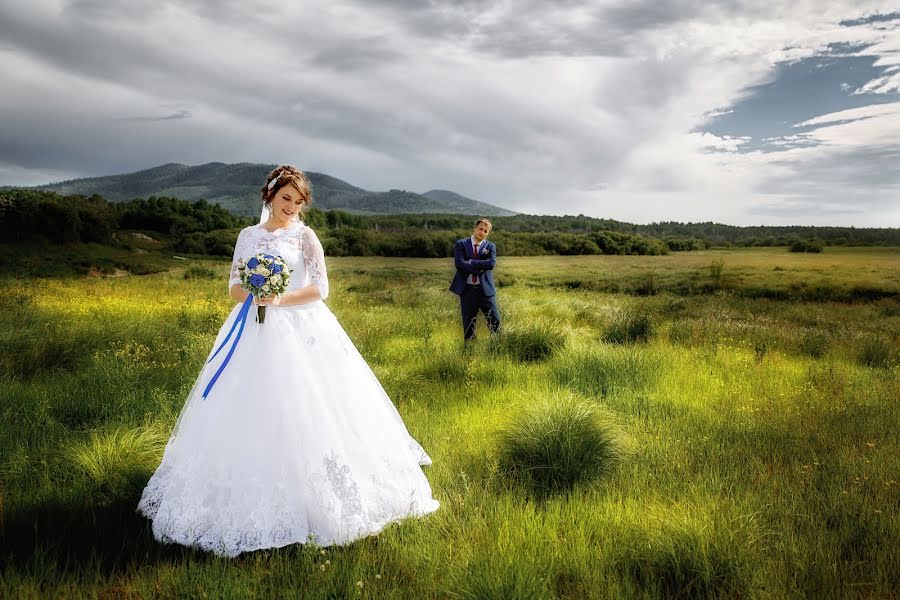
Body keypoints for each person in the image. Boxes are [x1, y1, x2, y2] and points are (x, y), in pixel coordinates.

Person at [138, 165, 439, 557]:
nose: (291, 208)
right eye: (286, 199)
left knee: (309, 406)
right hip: (252, 326)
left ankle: (319, 497)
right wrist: (253, 294)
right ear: (270, 196)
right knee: (247, 406)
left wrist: (278, 299)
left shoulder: (305, 236)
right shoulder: (247, 236)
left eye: (298, 202)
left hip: (302, 327)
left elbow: (321, 288)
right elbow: (232, 283)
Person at [449, 218, 501, 341]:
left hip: (485, 291)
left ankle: (498, 347)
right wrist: (480, 267)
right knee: (468, 324)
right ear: (475, 228)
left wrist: (471, 262)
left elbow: (491, 264)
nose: (482, 232)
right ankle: (469, 351)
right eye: (480, 229)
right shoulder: (461, 244)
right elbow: (459, 264)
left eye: (485, 231)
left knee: (495, 321)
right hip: (467, 291)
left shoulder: (490, 246)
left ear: (488, 233)